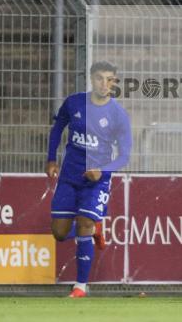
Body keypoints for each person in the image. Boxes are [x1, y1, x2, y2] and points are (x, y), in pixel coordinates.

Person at [46, 61, 132, 298]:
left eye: (109, 79)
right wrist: (51, 159)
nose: (104, 84)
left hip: (96, 181)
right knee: (60, 233)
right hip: (69, 177)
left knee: (84, 221)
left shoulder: (118, 115)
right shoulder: (74, 102)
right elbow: (57, 128)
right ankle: (93, 230)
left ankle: (80, 286)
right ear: (91, 79)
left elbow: (124, 155)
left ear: (114, 83)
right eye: (99, 78)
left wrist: (102, 172)